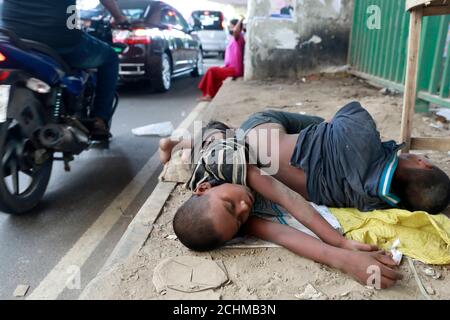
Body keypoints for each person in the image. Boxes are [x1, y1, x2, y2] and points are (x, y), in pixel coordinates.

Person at [169, 102, 450, 288]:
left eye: (231, 205)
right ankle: (181, 145)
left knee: (217, 132)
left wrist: (341, 242)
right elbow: (281, 234)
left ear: (204, 188)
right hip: (234, 145)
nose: (245, 206)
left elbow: (289, 199)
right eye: (241, 218)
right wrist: (344, 258)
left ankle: (176, 143)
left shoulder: (229, 165)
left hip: (232, 137)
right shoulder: (232, 215)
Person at [1, 0, 129, 139]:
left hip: (12, 37)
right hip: (60, 39)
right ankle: (99, 120)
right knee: (110, 58)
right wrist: (119, 17)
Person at [198, 18, 245, 101]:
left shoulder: (239, 37)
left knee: (211, 71)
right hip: (229, 67)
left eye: (232, 27)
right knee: (213, 72)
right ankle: (210, 94)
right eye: (230, 27)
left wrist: (240, 20)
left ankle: (209, 95)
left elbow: (236, 31)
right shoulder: (232, 38)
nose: (231, 29)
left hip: (235, 70)